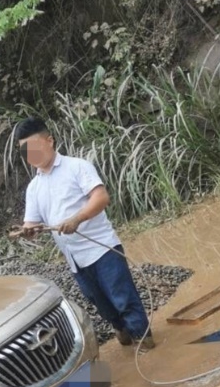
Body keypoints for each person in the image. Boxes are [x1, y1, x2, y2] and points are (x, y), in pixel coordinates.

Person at [16, 116, 154, 350]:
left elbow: (101, 197)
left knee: (123, 296)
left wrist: (77, 219)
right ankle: (122, 332)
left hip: (102, 248)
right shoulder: (34, 188)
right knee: (100, 302)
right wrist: (26, 231)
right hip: (75, 260)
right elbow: (32, 222)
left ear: (49, 141)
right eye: (26, 151)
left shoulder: (77, 167)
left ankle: (145, 340)